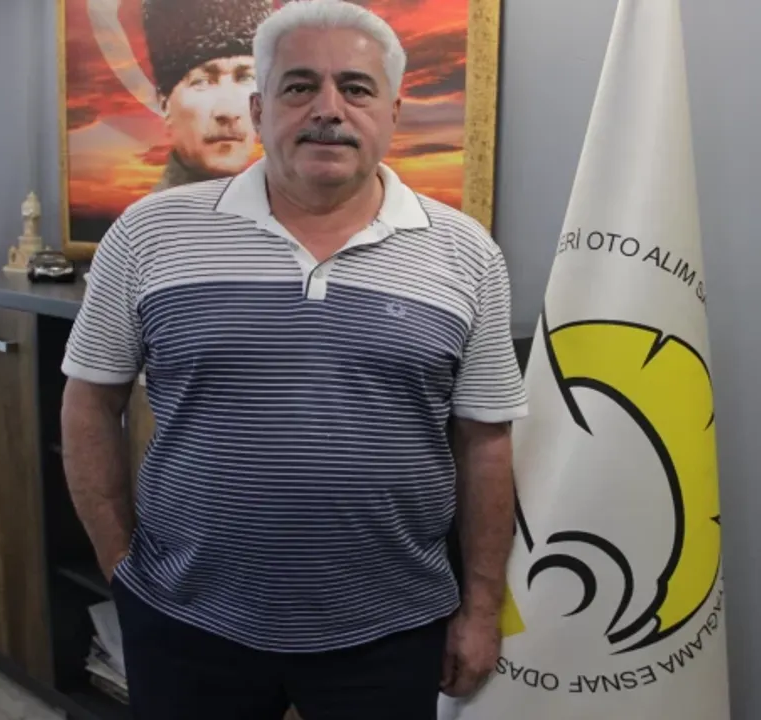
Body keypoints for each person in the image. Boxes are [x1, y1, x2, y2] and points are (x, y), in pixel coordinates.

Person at [59, 1, 528, 718]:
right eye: (299, 86)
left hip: (392, 627)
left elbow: (486, 440)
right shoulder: (151, 233)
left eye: (356, 88)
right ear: (260, 108)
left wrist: (482, 607)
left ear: (393, 112)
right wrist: (118, 563)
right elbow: (91, 400)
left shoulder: (467, 254)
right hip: (186, 621)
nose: (328, 109)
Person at [143, 0, 271, 190]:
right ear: (164, 104)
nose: (228, 111)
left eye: (245, 78)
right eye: (202, 82)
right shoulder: (155, 212)